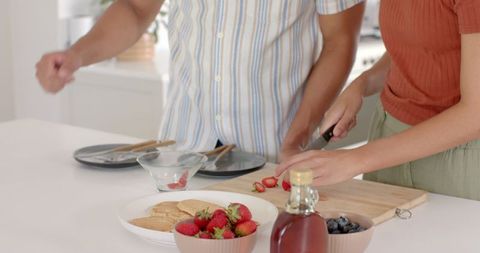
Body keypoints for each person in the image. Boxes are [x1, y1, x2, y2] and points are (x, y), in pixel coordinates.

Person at [35, 0, 365, 162]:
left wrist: (297, 137)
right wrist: (77, 55)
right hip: (182, 151)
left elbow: (340, 41)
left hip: (272, 155)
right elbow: (136, 8)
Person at [276, 0, 480, 200]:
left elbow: (475, 114)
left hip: (457, 159)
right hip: (386, 142)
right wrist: (363, 84)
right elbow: (423, 43)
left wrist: (355, 159)